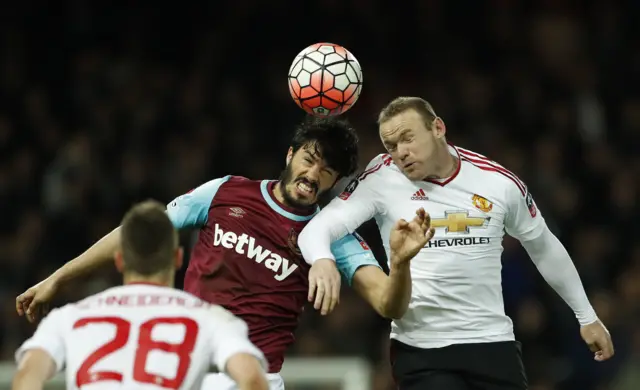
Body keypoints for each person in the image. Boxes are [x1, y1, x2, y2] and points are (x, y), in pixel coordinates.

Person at [16, 116, 434, 390]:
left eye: (327, 171)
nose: (312, 174)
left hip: (253, 378)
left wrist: (400, 263)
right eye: (309, 160)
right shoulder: (226, 191)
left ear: (335, 182)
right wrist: (58, 278)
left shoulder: (333, 234)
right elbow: (140, 234)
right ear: (290, 155)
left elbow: (388, 303)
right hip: (187, 371)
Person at [297, 97, 615, 390]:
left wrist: (586, 316)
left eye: (408, 138)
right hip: (421, 349)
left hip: (493, 344)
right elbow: (317, 229)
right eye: (391, 145)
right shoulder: (381, 178)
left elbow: (544, 247)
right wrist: (323, 259)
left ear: (438, 128)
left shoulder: (497, 182)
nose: (400, 152)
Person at [13, 200, 269, 390]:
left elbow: (28, 377)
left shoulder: (69, 317)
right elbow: (252, 378)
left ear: (120, 260)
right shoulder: (212, 318)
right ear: (178, 258)